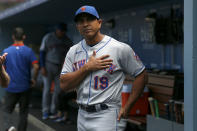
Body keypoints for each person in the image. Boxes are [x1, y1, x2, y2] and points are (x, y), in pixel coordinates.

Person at [60, 5, 148, 131]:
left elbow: (142, 75)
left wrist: (128, 106)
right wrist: (86, 68)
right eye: (81, 21)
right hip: (82, 114)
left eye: (89, 19)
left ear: (99, 23)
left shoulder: (119, 48)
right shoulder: (73, 51)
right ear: (77, 27)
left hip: (107, 114)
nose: (85, 24)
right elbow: (64, 85)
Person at [2, 27, 39, 131]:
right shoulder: (29, 51)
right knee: (24, 112)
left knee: (6, 110)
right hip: (25, 86)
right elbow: (36, 67)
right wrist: (33, 79)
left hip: (11, 86)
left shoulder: (6, 51)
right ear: (24, 37)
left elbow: (3, 69)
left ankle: (9, 128)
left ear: (13, 37)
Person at [39, 23, 73, 119]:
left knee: (58, 90)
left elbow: (71, 55)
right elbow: (42, 52)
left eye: (64, 31)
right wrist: (42, 67)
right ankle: (45, 111)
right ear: (56, 30)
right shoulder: (48, 37)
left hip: (60, 67)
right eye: (60, 30)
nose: (62, 32)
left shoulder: (67, 40)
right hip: (48, 64)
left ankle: (54, 110)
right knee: (47, 88)